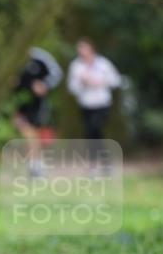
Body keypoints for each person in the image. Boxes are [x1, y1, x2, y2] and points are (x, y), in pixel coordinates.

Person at [67, 38, 121, 166]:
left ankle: (99, 160)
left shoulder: (103, 64)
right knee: (90, 132)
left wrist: (101, 81)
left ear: (91, 49)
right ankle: (98, 161)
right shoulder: (76, 66)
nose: (82, 52)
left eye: (84, 48)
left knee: (95, 128)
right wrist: (82, 81)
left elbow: (116, 80)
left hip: (102, 103)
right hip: (86, 104)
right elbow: (71, 87)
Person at [12, 47, 62, 176]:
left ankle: (36, 166)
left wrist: (45, 85)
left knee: (33, 133)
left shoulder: (39, 57)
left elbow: (57, 73)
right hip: (20, 102)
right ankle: (34, 165)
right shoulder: (11, 58)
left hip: (37, 104)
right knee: (27, 133)